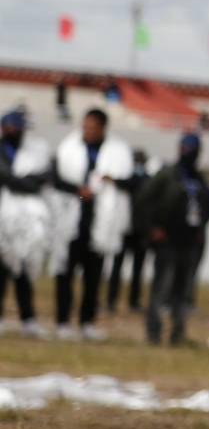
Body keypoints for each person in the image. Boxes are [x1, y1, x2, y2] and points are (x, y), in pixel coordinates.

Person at [50, 108, 133, 340]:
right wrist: (79, 192)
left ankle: (87, 322)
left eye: (93, 128)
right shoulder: (68, 148)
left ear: (103, 129)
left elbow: (131, 182)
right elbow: (57, 182)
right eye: (85, 127)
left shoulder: (118, 152)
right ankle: (63, 321)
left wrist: (111, 180)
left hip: (100, 223)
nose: (87, 132)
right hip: (72, 218)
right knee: (65, 273)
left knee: (93, 277)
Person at [136, 134, 209, 346]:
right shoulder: (167, 175)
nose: (188, 152)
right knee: (161, 288)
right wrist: (152, 229)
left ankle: (177, 334)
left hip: (188, 242)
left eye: (192, 149)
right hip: (167, 241)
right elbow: (143, 201)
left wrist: (200, 228)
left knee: (182, 291)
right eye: (185, 148)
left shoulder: (198, 179)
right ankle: (154, 333)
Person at [0, 106, 53, 337]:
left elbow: (44, 177)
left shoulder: (35, 151)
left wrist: (20, 182)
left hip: (27, 220)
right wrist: (23, 183)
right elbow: (8, 178)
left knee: (24, 270)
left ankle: (28, 318)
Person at [104, 148, 152, 315]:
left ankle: (132, 301)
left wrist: (113, 179)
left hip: (139, 231)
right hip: (125, 229)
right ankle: (112, 301)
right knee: (118, 267)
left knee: (136, 269)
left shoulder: (145, 180)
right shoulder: (137, 179)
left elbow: (128, 183)